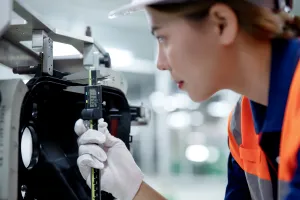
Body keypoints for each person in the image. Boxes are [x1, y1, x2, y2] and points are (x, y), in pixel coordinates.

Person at [74, 0, 300, 199]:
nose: (160, 63)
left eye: (163, 37)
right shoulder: (244, 124)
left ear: (221, 24)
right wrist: (132, 188)